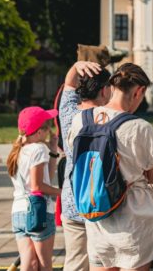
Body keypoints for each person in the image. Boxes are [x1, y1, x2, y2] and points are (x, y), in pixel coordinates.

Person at [67, 63, 153, 271]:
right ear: (139, 92)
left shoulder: (80, 120)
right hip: (133, 223)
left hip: (97, 220)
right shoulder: (139, 127)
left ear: (112, 87)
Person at [58, 61, 110, 271]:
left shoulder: (68, 112)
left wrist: (76, 66)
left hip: (72, 199)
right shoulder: (108, 119)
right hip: (100, 201)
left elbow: (68, 85)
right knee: (100, 262)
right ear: (105, 90)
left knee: (74, 262)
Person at [7, 106, 61, 271]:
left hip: (18, 212)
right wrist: (62, 192)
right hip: (38, 211)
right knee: (45, 265)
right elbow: (38, 186)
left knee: (29, 264)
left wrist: (52, 151)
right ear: (39, 131)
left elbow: (45, 177)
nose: (49, 132)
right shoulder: (38, 149)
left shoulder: (18, 150)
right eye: (47, 128)